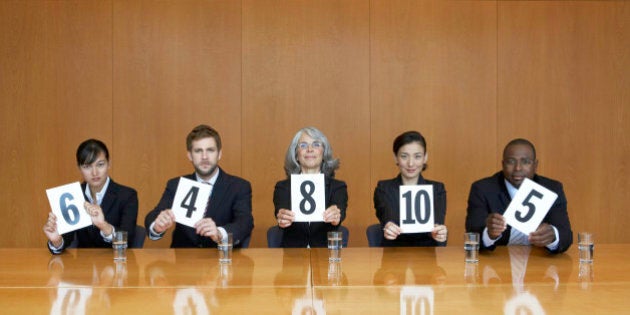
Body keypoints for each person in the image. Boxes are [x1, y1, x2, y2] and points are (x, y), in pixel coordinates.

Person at [145, 124, 253, 248]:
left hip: (222, 260)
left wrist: (219, 233)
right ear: (190, 155)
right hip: (183, 263)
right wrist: (157, 226)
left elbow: (244, 223)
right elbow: (154, 215)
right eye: (198, 151)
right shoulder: (176, 184)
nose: (204, 157)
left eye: (210, 150)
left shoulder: (239, 186)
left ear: (219, 154)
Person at [465, 138, 573, 253]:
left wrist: (553, 236)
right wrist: (489, 234)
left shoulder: (552, 189)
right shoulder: (482, 189)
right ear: (503, 164)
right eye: (511, 161)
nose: (518, 168)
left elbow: (565, 236)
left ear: (535, 165)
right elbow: (472, 237)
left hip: (539, 261)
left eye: (525, 161)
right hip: (497, 264)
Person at [43, 139, 138, 254]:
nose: (94, 172)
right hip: (83, 266)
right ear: (79, 168)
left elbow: (128, 240)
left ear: (109, 163)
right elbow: (67, 238)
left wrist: (103, 225)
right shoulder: (73, 195)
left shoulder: (127, 195)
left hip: (117, 265)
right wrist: (57, 241)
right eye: (87, 166)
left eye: (100, 165)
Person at [274, 127, 347, 247]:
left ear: (323, 153)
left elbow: (340, 213)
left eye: (316, 144)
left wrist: (336, 216)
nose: (309, 149)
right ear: (296, 155)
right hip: (292, 257)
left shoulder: (338, 187)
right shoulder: (283, 187)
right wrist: (282, 217)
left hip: (325, 254)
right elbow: (280, 211)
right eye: (303, 145)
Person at [373, 131, 448, 247]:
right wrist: (388, 227)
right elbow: (386, 217)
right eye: (404, 156)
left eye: (417, 156)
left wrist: (439, 232)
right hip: (393, 254)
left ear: (425, 157)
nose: (411, 163)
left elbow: (437, 223)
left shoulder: (437, 189)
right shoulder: (384, 188)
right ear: (396, 158)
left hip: (428, 254)